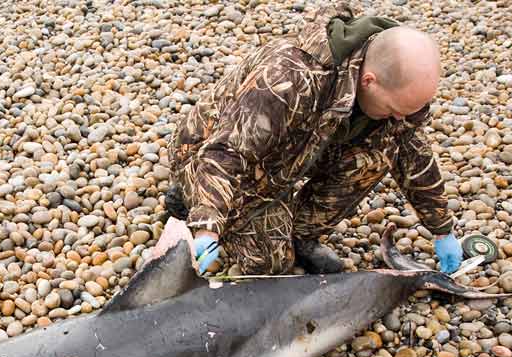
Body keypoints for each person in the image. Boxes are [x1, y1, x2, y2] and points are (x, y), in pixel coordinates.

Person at [165, 2, 464, 276]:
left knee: (381, 152)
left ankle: (300, 233)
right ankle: (189, 194)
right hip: (209, 153)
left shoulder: (394, 82)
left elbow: (412, 150)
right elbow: (225, 154)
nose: (401, 119)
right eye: (395, 110)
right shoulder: (291, 76)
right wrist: (207, 226)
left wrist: (442, 229)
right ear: (369, 81)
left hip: (294, 151)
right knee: (269, 264)